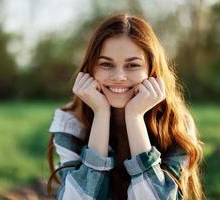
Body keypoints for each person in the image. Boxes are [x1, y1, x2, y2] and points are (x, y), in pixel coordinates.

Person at [46, 13, 203, 200]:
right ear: (90, 69)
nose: (119, 76)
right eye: (106, 64)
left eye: (132, 65)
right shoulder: (71, 121)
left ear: (152, 71)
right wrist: (101, 114)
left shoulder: (176, 124)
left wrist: (135, 117)